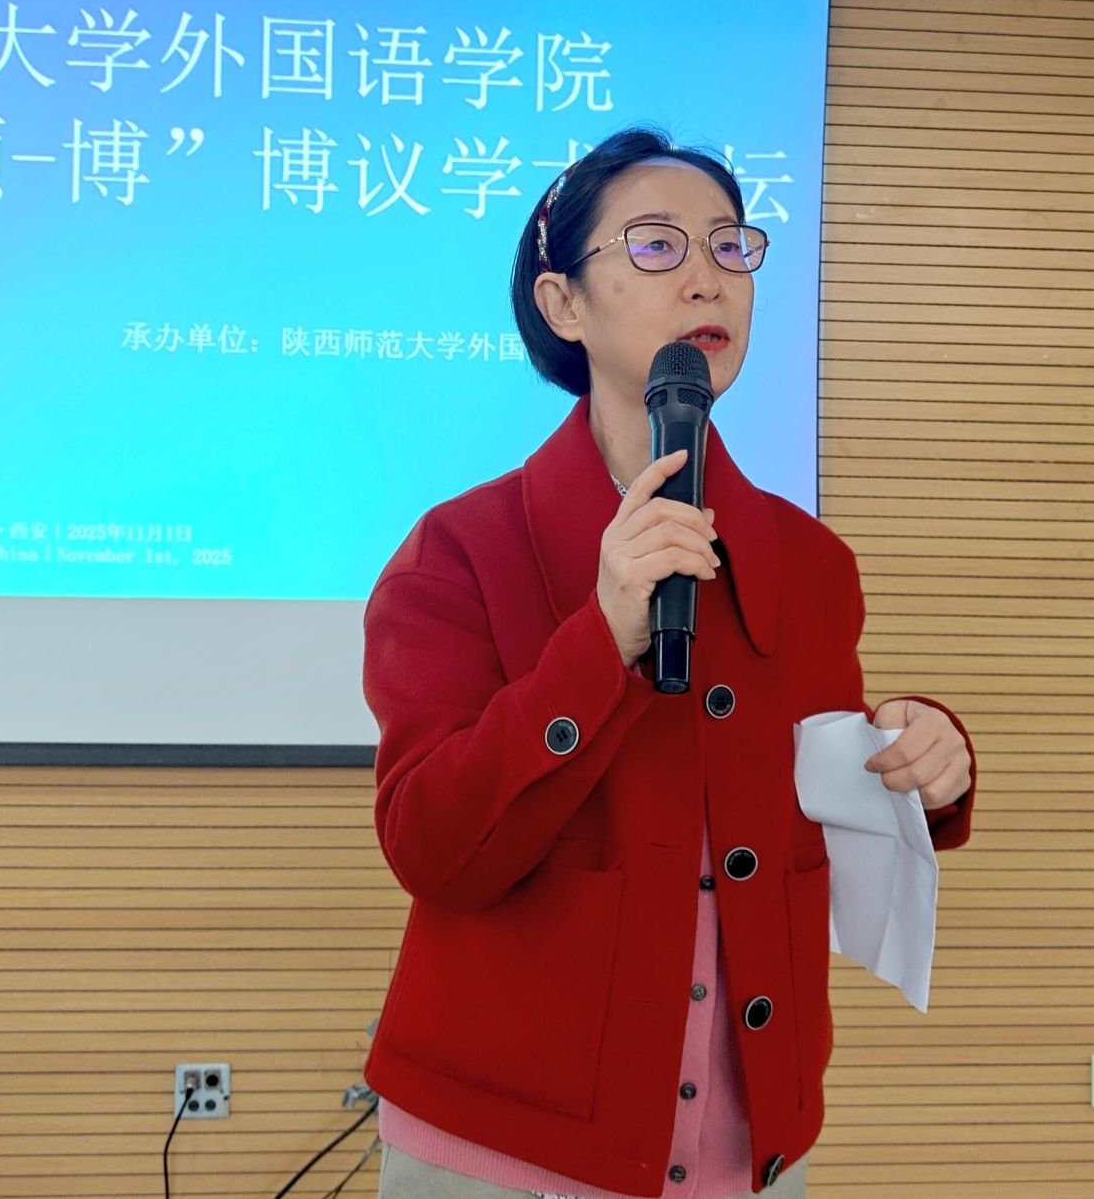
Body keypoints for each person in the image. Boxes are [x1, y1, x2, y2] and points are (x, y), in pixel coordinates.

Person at [364, 125, 977, 1199]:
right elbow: (432, 847)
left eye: (730, 245)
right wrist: (599, 641)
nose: (707, 275)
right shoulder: (458, 551)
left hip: (750, 1140)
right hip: (507, 1148)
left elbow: (811, 797)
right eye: (655, 245)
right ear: (563, 303)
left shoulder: (809, 562)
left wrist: (919, 755)